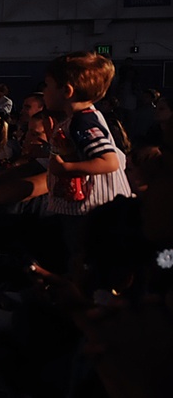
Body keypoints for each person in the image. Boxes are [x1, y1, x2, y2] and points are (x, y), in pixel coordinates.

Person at [42, 51, 132, 272]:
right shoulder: (75, 120)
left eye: (46, 85)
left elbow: (109, 161)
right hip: (82, 210)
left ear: (67, 91)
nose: (43, 91)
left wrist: (66, 168)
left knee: (86, 262)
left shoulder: (83, 122)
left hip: (91, 213)